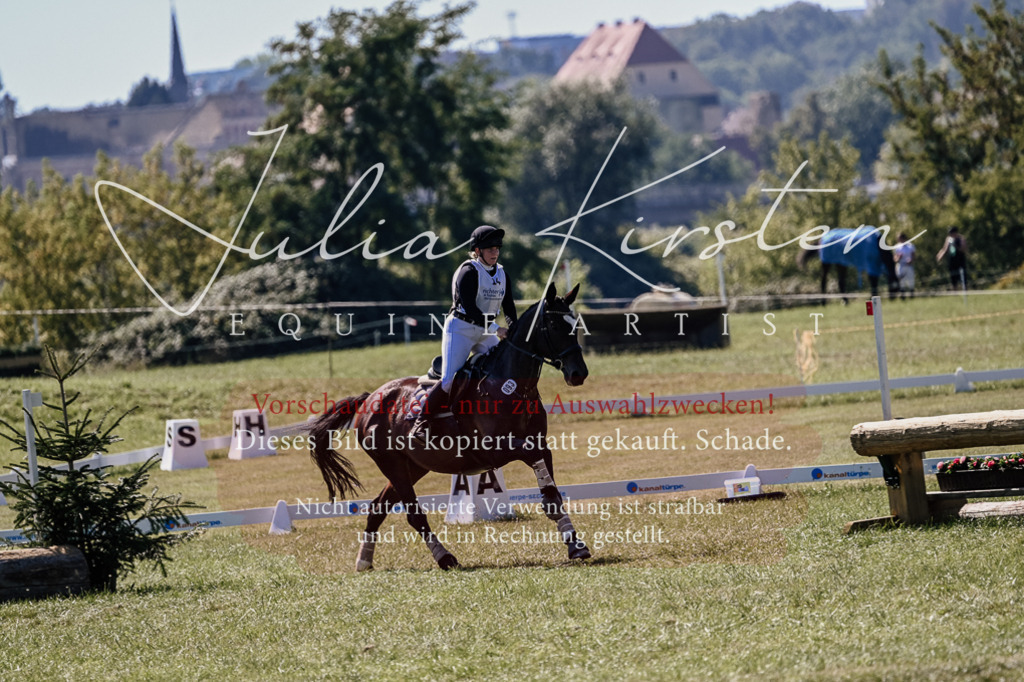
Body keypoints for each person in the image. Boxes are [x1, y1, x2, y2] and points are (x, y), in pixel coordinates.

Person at [410, 225, 518, 444]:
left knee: (502, 370)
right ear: (477, 251)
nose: (495, 253)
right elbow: (470, 308)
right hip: (461, 328)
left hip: (484, 330)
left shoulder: (502, 274)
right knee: (449, 380)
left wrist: (514, 329)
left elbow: (509, 307)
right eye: (490, 249)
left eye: (497, 248)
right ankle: (421, 422)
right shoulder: (468, 272)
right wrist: (497, 330)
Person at [893, 232, 916, 299]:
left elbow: (914, 256)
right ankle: (902, 296)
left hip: (909, 265)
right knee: (901, 281)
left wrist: (911, 260)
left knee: (911, 280)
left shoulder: (910, 246)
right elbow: (895, 258)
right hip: (901, 265)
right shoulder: (897, 247)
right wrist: (898, 258)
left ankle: (912, 295)